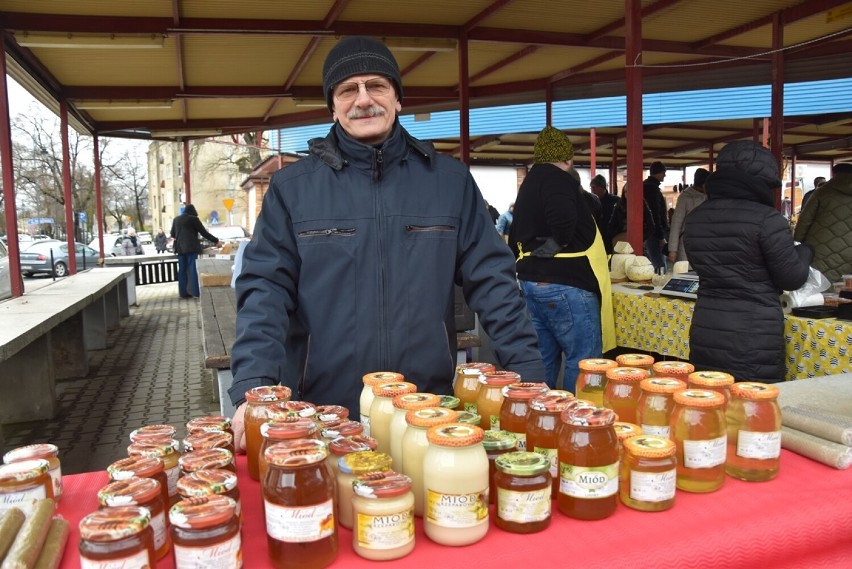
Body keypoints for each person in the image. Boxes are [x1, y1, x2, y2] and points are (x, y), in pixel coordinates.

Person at [228, 36, 546, 450]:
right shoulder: (293, 189)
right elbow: (264, 293)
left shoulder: (448, 183)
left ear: (397, 98)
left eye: (376, 85)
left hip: (427, 411)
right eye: (348, 90)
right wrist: (253, 388)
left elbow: (494, 281)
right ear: (334, 104)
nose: (363, 100)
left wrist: (530, 375)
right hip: (323, 414)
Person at [683, 141, 812, 383]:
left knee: (710, 404)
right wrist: (805, 252)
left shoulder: (696, 218)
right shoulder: (767, 219)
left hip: (706, 327)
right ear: (761, 183)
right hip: (754, 334)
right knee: (753, 410)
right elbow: (792, 278)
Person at [508, 126, 615, 392]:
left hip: (532, 283)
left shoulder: (530, 183)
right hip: (568, 285)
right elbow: (564, 218)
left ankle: (537, 422)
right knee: (583, 363)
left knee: (543, 361)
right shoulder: (558, 178)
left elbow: (515, 237)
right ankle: (576, 428)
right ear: (567, 159)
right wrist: (560, 241)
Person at [793, 163, 852, 283]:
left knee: (816, 291)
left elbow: (804, 222)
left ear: (835, 175)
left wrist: (798, 246)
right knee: (843, 292)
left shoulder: (822, 192)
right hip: (849, 256)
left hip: (818, 252)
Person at [170, 204, 221, 299]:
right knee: (193, 269)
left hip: (180, 248)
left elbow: (172, 234)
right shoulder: (193, 219)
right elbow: (204, 232)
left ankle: (183, 293)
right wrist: (216, 240)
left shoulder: (176, 219)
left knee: (182, 270)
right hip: (191, 248)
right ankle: (196, 293)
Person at [667, 168, 709, 264]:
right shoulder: (685, 197)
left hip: (704, 245)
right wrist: (672, 250)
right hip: (686, 245)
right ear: (703, 184)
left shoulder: (709, 197)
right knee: (687, 273)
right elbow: (676, 224)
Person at [607, 183, 656, 249]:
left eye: (629, 191)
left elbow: (651, 226)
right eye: (625, 192)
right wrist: (619, 235)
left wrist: (641, 238)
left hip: (638, 241)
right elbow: (611, 226)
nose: (627, 194)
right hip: (622, 240)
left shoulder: (643, 205)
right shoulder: (619, 206)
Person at [643, 161, 669, 272]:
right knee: (659, 264)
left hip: (650, 231)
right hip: (654, 233)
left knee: (656, 261)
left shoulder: (647, 186)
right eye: (663, 172)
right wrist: (661, 236)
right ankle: (660, 285)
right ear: (658, 173)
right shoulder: (652, 189)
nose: (664, 175)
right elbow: (655, 213)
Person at [590, 174, 617, 249]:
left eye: (594, 187)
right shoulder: (590, 201)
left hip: (611, 238)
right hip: (595, 237)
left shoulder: (615, 201)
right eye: (591, 187)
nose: (592, 190)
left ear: (602, 187)